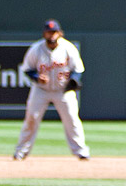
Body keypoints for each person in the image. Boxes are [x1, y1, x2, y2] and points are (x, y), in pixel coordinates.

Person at [13, 19, 89, 161]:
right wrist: (36, 77)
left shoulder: (68, 48)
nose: (51, 34)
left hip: (63, 90)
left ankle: (81, 151)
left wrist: (74, 79)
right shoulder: (36, 49)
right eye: (49, 31)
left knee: (72, 119)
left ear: (60, 33)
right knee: (31, 118)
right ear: (44, 33)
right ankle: (21, 151)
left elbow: (78, 69)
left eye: (54, 32)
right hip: (41, 90)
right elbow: (27, 69)